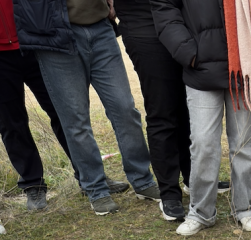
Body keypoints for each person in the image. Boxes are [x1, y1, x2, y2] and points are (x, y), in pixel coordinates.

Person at [13, 0, 159, 216]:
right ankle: (97, 190)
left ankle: (142, 179)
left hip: (100, 28)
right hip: (55, 36)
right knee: (76, 120)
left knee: (125, 108)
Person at [152, 0, 251, 235]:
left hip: (246, 70)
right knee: (203, 144)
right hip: (200, 71)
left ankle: (245, 209)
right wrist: (190, 53)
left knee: (243, 144)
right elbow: (165, 8)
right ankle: (201, 212)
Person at [115, 0, 191, 222]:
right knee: (162, 112)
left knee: (187, 110)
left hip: (183, 25)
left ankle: (193, 179)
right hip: (145, 28)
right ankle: (169, 193)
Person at [0, 0, 76, 212]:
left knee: (63, 110)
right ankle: (33, 183)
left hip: (35, 41)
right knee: (11, 123)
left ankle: (89, 174)